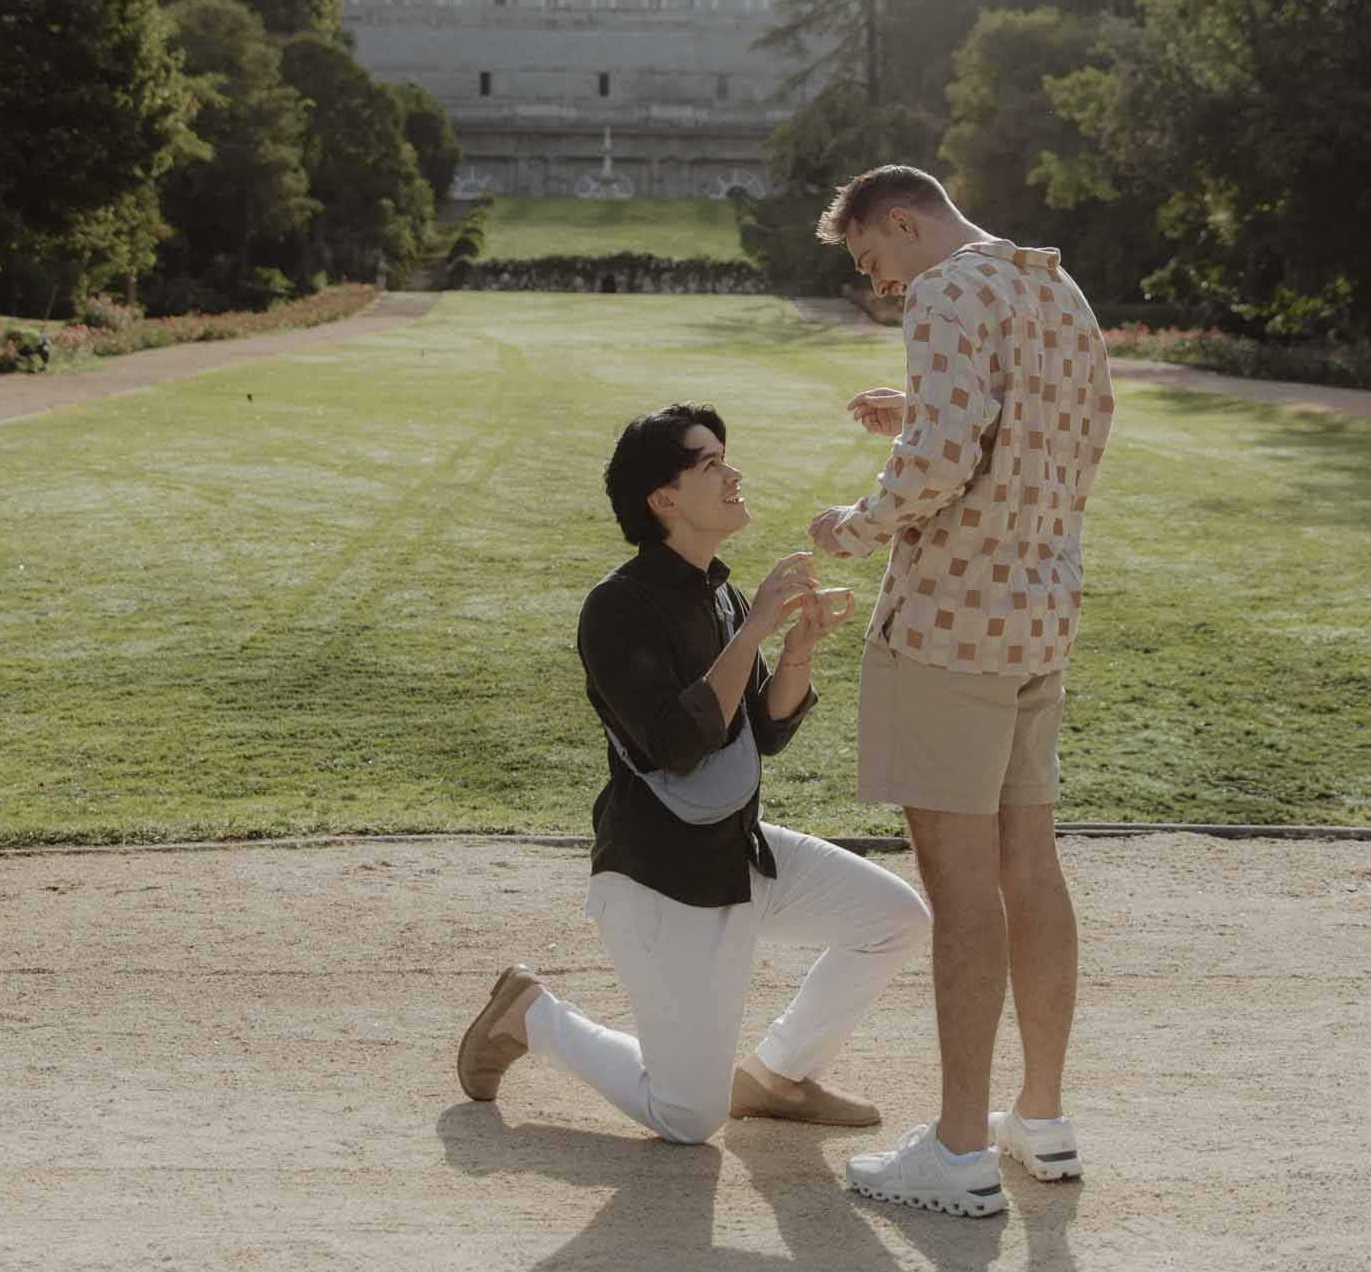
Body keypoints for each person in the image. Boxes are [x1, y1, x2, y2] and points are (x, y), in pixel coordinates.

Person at [457, 403, 932, 1151]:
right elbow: (677, 744)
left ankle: (778, 1076)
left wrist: (799, 644)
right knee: (687, 1117)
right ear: (665, 501)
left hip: (739, 852)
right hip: (661, 880)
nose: (733, 472)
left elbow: (765, 730)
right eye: (710, 463)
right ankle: (534, 1016)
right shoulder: (615, 608)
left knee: (895, 919)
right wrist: (754, 630)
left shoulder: (719, 591)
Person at [807, 165, 1116, 1217]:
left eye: (873, 261)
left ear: (905, 221)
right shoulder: (1054, 287)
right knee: (1033, 863)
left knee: (962, 890)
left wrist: (851, 525)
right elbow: (1057, 435)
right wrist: (919, 412)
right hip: (1039, 612)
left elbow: (943, 462)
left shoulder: (946, 292)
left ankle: (956, 1147)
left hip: (950, 622)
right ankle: (1042, 1119)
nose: (884, 285)